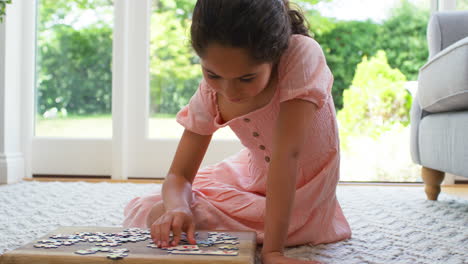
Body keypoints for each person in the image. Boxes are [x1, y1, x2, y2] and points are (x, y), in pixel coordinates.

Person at [123, 0, 352, 263]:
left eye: (246, 78)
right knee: (153, 210)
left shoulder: (301, 54)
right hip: (250, 177)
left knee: (181, 220)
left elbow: (287, 156)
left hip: (300, 194)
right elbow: (179, 175)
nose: (229, 91)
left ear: (275, 54)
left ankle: (268, 235)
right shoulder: (210, 93)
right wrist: (178, 208)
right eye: (212, 73)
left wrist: (273, 252)